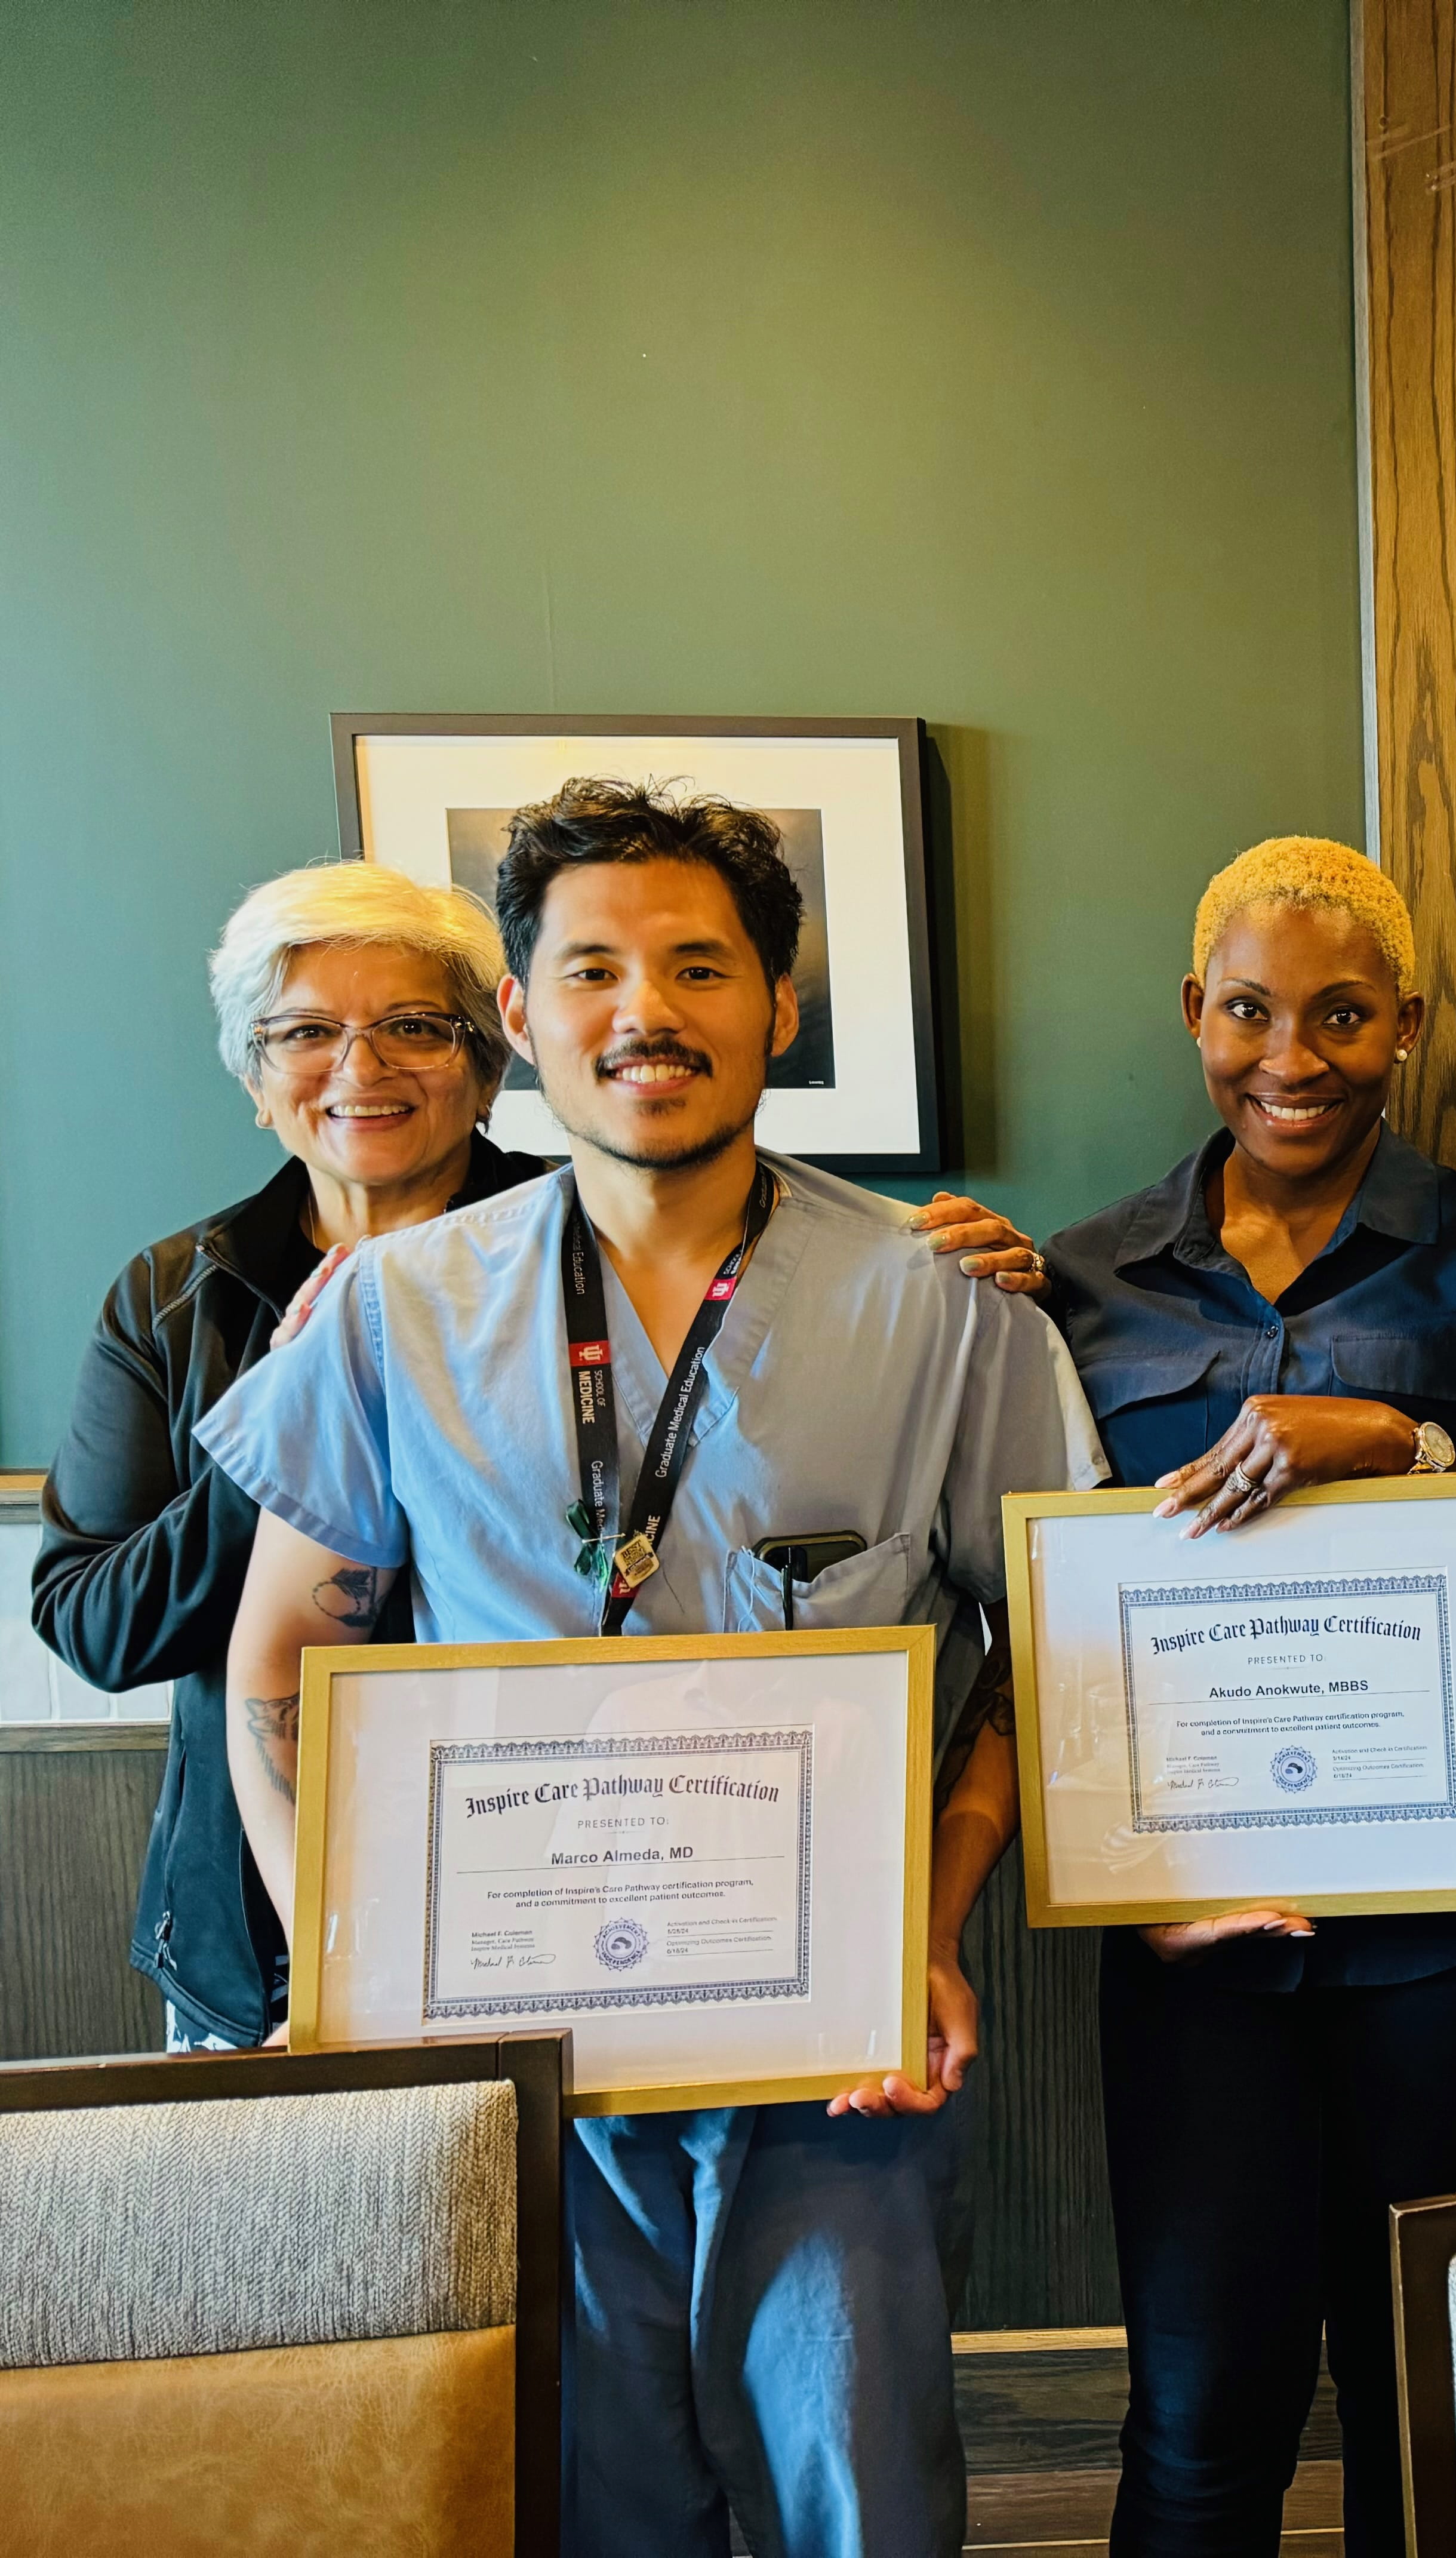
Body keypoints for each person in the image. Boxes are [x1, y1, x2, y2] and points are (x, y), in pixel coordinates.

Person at [193, 780, 1104, 2558]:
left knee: (862, 2500)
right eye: (592, 967)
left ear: (780, 1005)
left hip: (834, 2060)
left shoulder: (943, 1305)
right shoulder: (395, 1312)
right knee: (570, 2493)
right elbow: (277, 1668)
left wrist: (926, 1913)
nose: (646, 1011)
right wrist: (337, 1953)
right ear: (522, 1016)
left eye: (701, 966)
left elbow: (1042, 1649)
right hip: (515, 2051)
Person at [1033, 837, 1456, 2558]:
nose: (1294, 1053)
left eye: (1343, 1013)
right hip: (1197, 1944)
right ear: (1194, 1009)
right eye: (1252, 1009)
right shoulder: (1079, 1272)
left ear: (1405, 1023)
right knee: (1203, 2412)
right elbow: (1030, 1604)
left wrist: (1410, 1443)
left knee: (1442, 2404)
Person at [29, 863, 544, 2050]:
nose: (361, 1068)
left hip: (551, 1878)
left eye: (414, 1026)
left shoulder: (592, 1259)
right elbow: (100, 1629)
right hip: (253, 1945)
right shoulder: (173, 1296)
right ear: (259, 1080)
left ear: (485, 1063)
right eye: (307, 1031)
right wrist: (280, 1415)